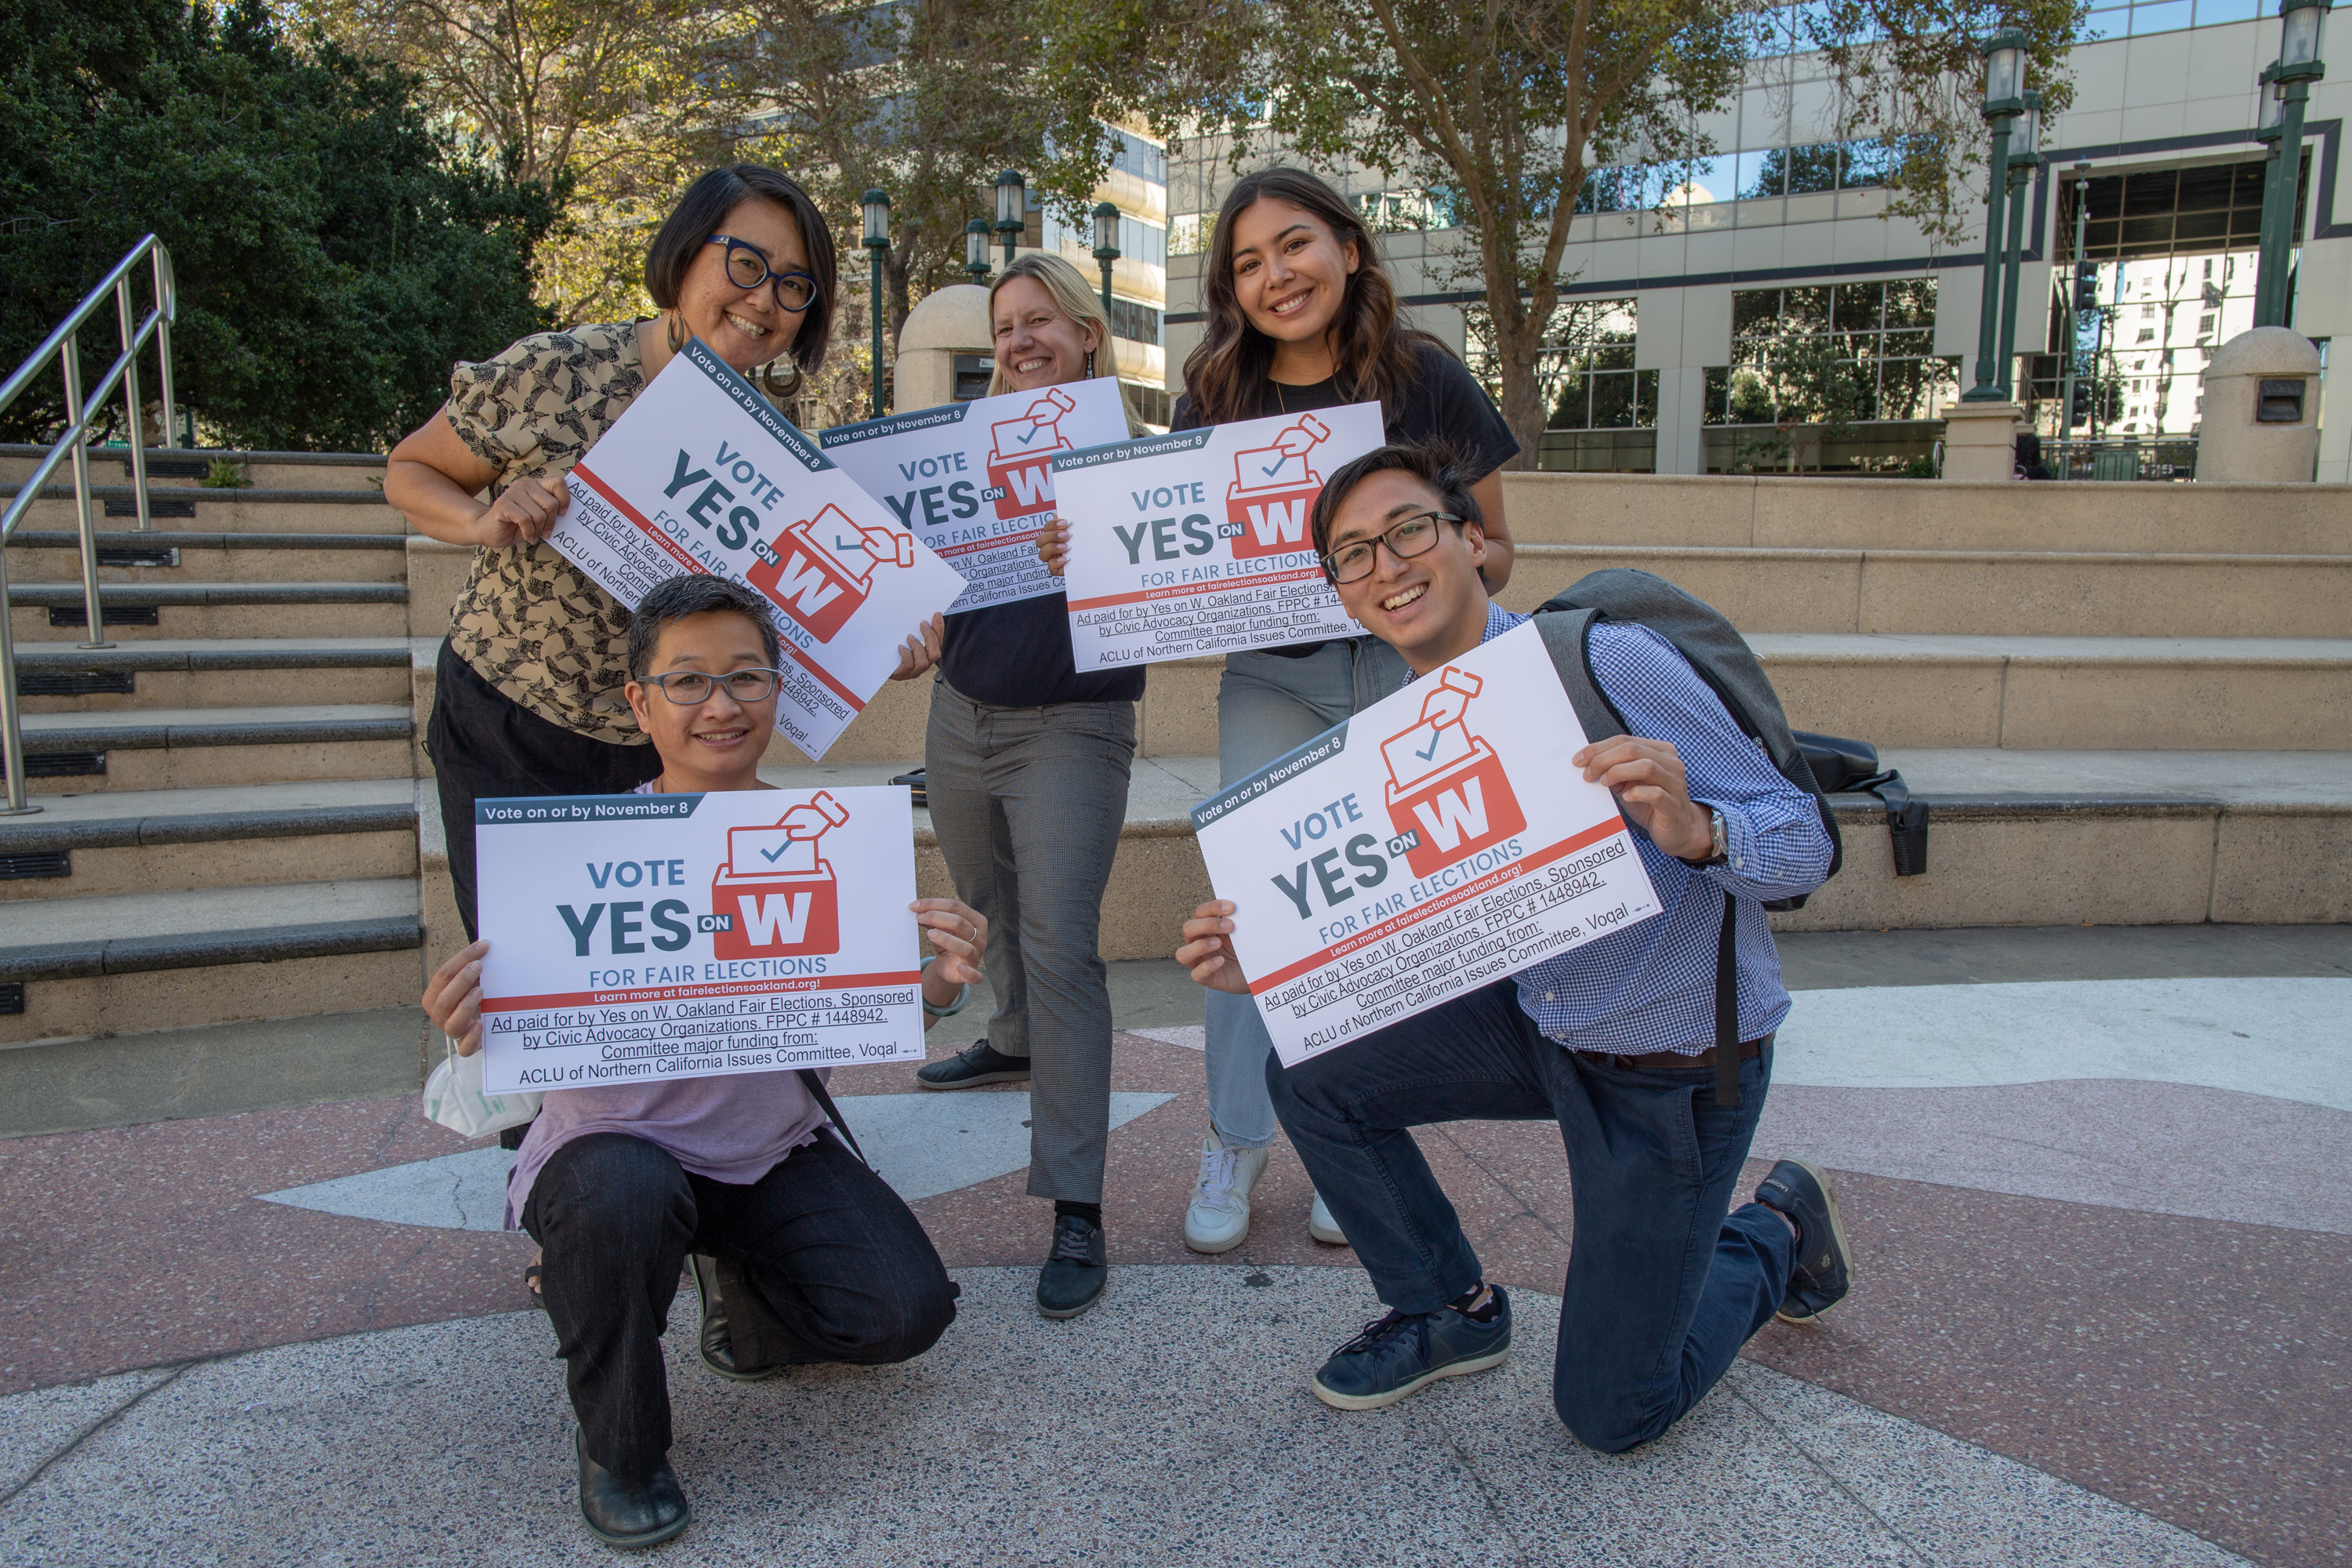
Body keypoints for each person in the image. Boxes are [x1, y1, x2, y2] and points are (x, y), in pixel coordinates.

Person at [1174, 441, 1854, 1440]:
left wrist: (1702, 831)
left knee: (1614, 1409)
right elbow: (1417, 926)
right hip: (1543, 1018)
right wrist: (1273, 960)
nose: (1387, 566)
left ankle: (1778, 1228)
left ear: (1476, 541)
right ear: (1340, 596)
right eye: (1353, 554)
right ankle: (1450, 1308)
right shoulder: (1399, 727)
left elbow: (1804, 841)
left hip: (1670, 1063)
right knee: (1310, 1071)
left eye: (1409, 529)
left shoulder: (1603, 662)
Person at [423, 575, 982, 1549]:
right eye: (687, 681)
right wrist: (472, 1022)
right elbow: (510, 1022)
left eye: (745, 677)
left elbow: (862, 1011)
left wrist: (939, 982)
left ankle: (740, 1291)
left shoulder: (826, 840)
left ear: (779, 689)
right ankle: (623, 1450)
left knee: (903, 1311)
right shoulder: (569, 852)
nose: (720, 704)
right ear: (639, 702)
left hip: (767, 1147)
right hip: (610, 1150)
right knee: (623, 1195)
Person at [1046, 166, 1522, 1256]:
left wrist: (1422, 560)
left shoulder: (1429, 379)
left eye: (1294, 246)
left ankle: (1360, 1127)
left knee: (1389, 896)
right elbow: (1178, 546)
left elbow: (1498, 546)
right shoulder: (1218, 386)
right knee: (1255, 895)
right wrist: (1102, 551)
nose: (1276, 276)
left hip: (1410, 673)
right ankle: (1236, 1131)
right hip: (1275, 675)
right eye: (1248, 263)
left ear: (1350, 250)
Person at [386, 162, 942, 945]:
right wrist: (486, 518)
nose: (764, 300)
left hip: (656, 750)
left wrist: (879, 646)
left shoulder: (776, 448)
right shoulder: (558, 370)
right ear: (686, 253)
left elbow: (770, 611)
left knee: (642, 985)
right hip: (508, 727)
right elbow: (409, 469)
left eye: (794, 286)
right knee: (529, 973)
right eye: (746, 265)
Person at [911, 252, 1149, 1319]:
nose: (1019, 343)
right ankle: (1008, 1040)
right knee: (985, 901)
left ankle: (1076, 1204)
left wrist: (1095, 551)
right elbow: (920, 580)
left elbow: (1175, 592)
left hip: (1071, 724)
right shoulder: (959, 454)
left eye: (1040, 321)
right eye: (1005, 328)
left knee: (1060, 946)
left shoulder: (1135, 459)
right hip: (960, 711)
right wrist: (911, 631)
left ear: (1087, 334)